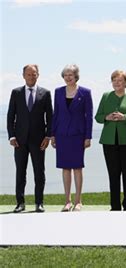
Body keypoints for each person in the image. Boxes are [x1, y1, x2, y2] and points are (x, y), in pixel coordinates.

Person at [7, 64, 52, 213]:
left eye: (34, 74)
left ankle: (39, 202)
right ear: (23, 76)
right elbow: (10, 116)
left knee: (39, 172)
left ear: (38, 75)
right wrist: (11, 136)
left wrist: (48, 136)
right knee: (20, 172)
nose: (31, 77)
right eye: (28, 74)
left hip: (39, 140)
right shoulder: (16, 92)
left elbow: (50, 117)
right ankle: (20, 203)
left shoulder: (45, 93)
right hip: (19, 140)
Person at [95, 70, 126, 211]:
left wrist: (125, 117)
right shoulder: (106, 96)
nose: (116, 83)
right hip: (109, 141)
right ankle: (115, 206)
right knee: (113, 175)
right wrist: (106, 117)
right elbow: (98, 117)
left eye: (120, 80)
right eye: (114, 80)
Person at [51, 64, 93, 212]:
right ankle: (67, 201)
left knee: (77, 167)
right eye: (66, 75)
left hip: (78, 135)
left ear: (76, 76)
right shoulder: (58, 92)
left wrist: (88, 137)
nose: (68, 77)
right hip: (62, 135)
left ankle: (78, 201)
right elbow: (55, 115)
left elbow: (89, 117)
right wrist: (53, 135)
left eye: (71, 75)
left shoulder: (85, 92)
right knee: (65, 168)